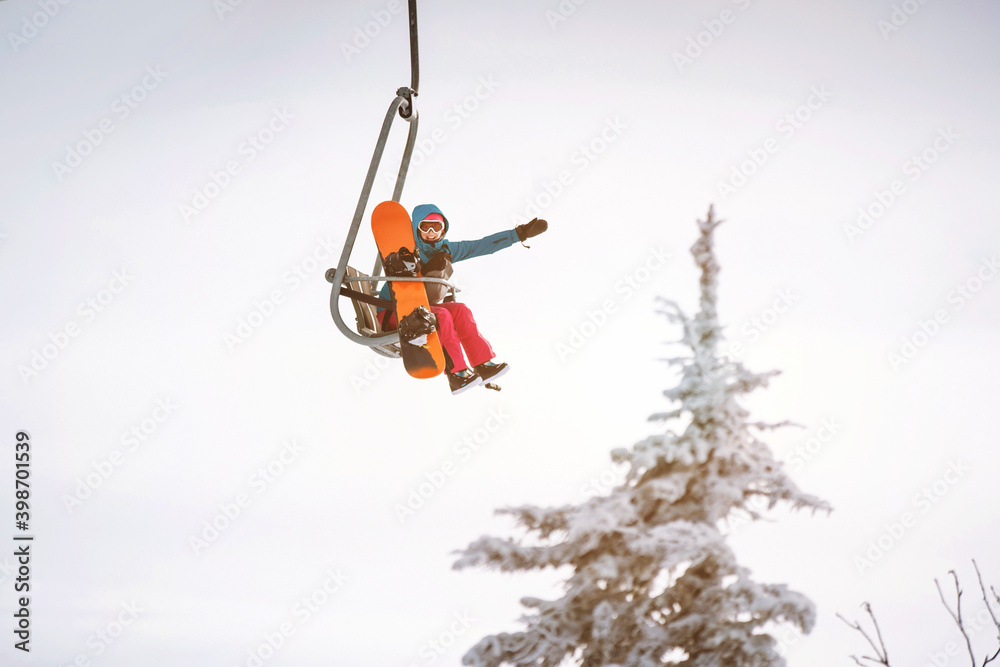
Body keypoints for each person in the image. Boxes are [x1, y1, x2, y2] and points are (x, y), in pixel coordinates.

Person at [377, 203, 547, 394]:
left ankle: (483, 365)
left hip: (421, 311)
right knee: (442, 315)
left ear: (444, 229)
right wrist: (402, 261)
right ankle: (456, 375)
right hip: (394, 312)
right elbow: (392, 261)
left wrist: (518, 234)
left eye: (437, 227)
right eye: (425, 227)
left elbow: (481, 246)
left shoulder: (448, 250)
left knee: (460, 310)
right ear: (417, 228)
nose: (431, 232)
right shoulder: (408, 248)